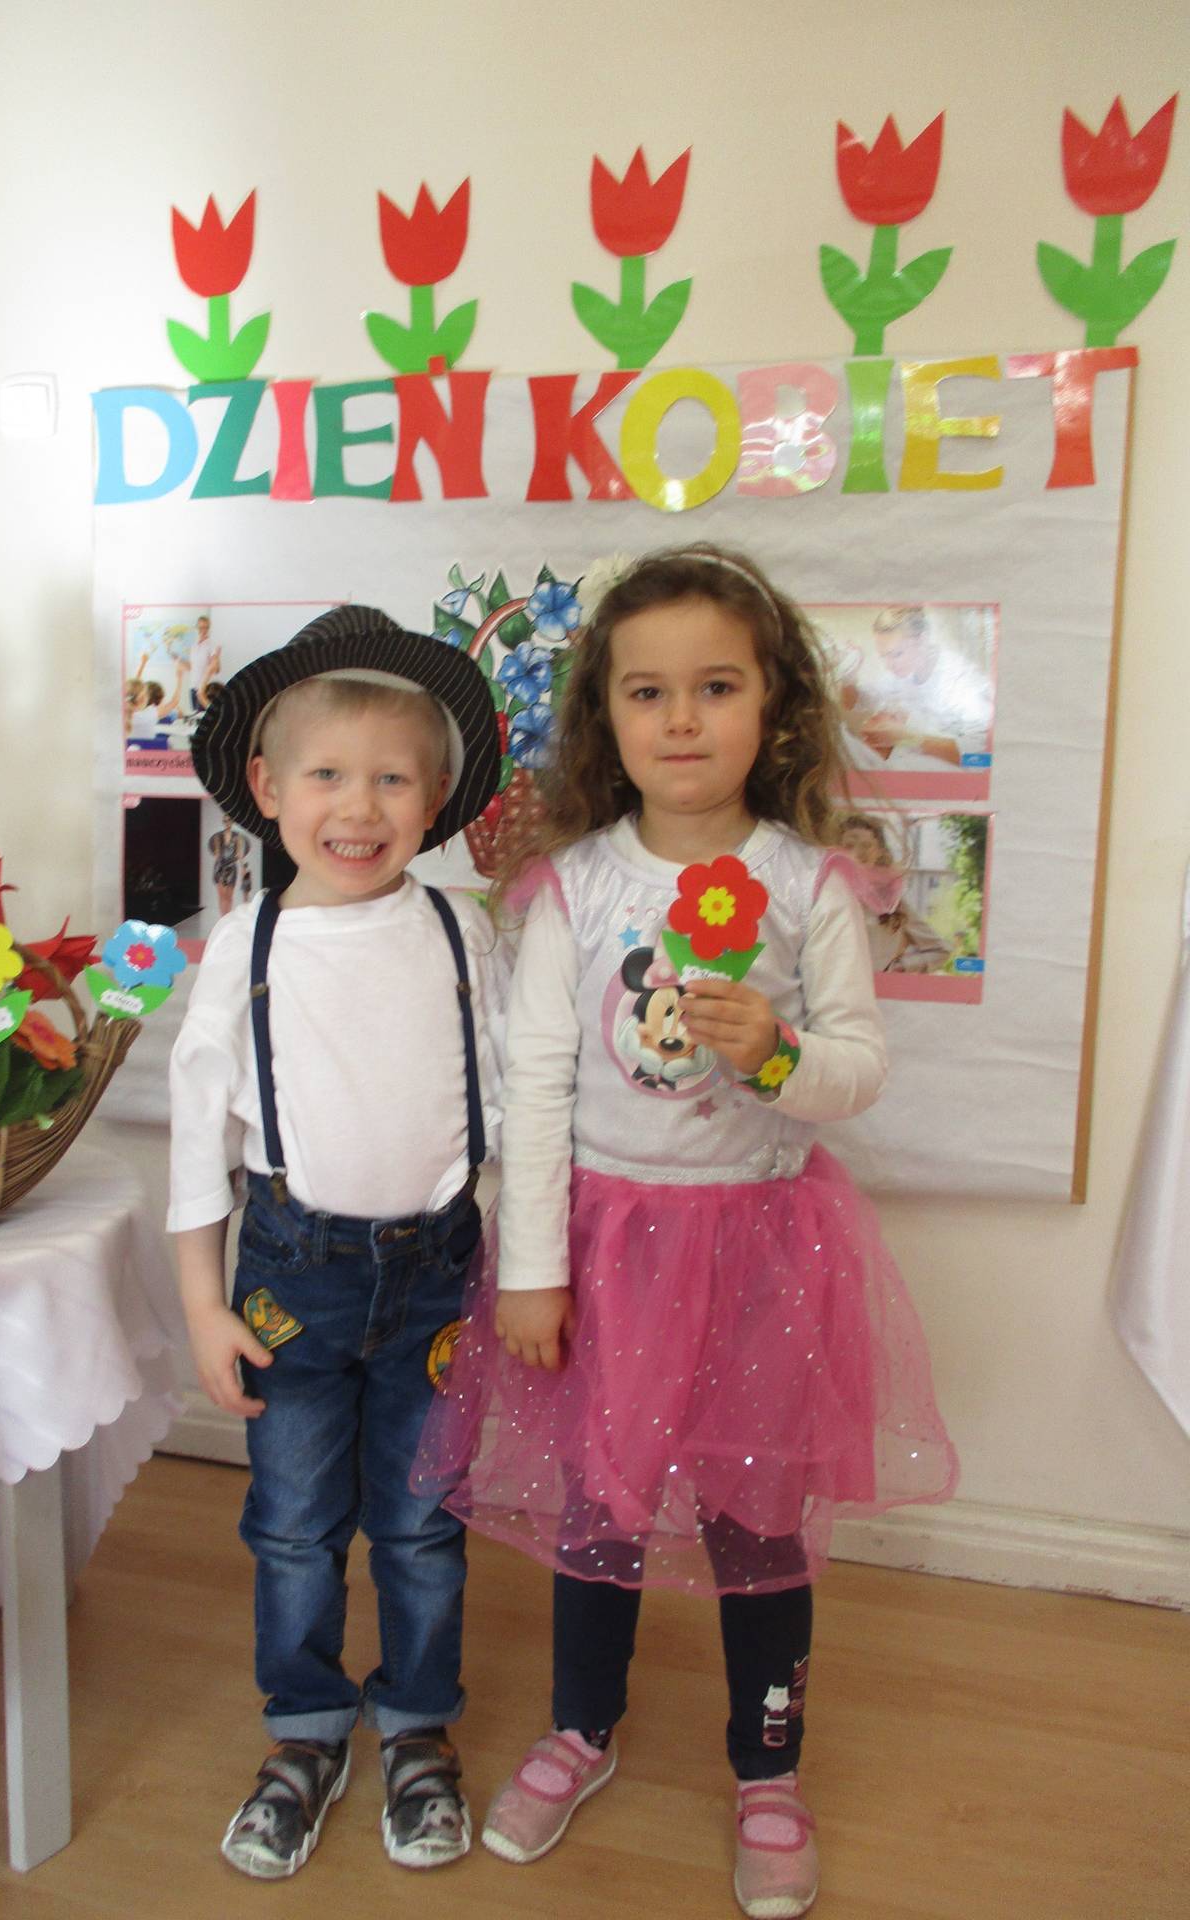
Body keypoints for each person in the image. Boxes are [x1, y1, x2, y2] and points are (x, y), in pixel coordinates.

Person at [415, 546, 958, 1919]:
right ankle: (580, 1728)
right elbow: (536, 1089)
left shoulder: (813, 887)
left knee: (755, 1521)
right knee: (598, 1508)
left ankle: (768, 1769)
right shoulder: (572, 888)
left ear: (773, 707)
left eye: (716, 687)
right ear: (606, 719)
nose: (680, 719)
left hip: (762, 1254)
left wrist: (774, 1053)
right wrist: (531, 1271)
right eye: (647, 692)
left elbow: (857, 1072)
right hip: (603, 1256)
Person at [168, 604, 505, 1882]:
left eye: (392, 780)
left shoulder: (460, 931)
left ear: (435, 801)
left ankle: (417, 1726)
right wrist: (203, 1306)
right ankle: (305, 1731)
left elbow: (511, 1109)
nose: (358, 808)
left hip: (439, 1279)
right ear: (267, 789)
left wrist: (521, 1271)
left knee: (422, 1526)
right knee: (293, 1525)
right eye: (326, 775)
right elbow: (196, 1137)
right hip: (289, 1283)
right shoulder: (245, 944)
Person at [839, 604, 992, 770]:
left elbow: (983, 760)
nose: (889, 666)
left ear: (922, 639)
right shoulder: (902, 674)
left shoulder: (962, 682)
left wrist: (907, 738)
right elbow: (854, 703)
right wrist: (848, 676)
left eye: (896, 654)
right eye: (884, 656)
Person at [837, 810, 952, 974]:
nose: (858, 852)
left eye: (867, 845)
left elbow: (940, 951)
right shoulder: (825, 894)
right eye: (849, 845)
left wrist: (900, 967)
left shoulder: (891, 901)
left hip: (876, 987)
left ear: (879, 851)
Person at [189, 612, 223, 712]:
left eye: (206, 628)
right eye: (201, 627)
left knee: (205, 716)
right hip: (193, 687)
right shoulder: (193, 646)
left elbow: (217, 669)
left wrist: (216, 660)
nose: (203, 630)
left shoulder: (212, 645)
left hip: (205, 689)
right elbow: (192, 667)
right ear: (196, 628)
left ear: (209, 628)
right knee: (195, 716)